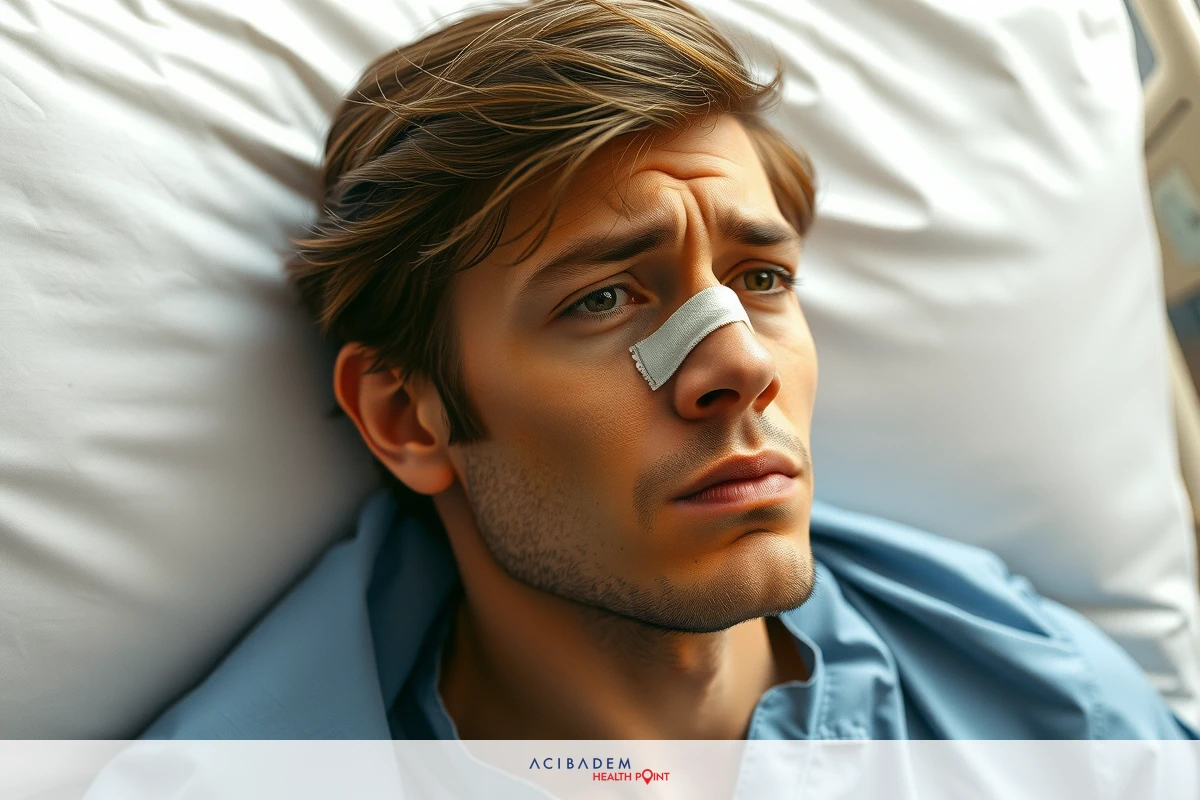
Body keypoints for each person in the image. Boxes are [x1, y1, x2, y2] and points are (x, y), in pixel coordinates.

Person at [143, 0, 1194, 740]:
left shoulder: (1050, 706)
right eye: (604, 297)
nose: (738, 363)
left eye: (763, 278)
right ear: (408, 415)